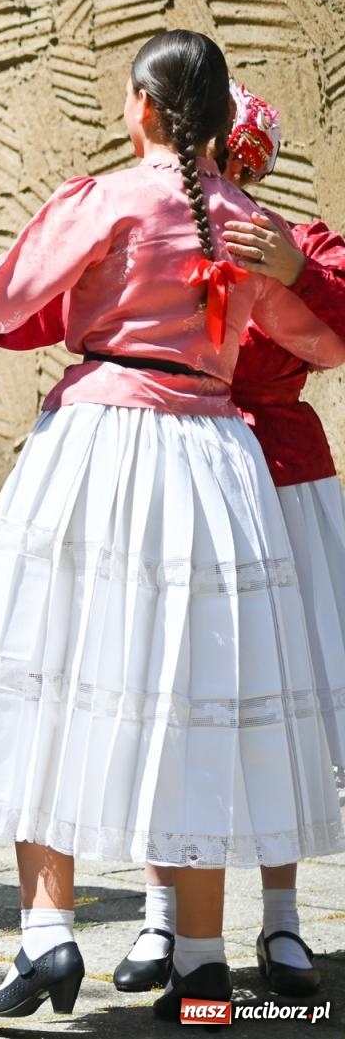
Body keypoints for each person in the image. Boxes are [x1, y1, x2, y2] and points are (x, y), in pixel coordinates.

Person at [0, 31, 345, 1019]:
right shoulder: (249, 225)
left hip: (96, 446)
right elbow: (320, 341)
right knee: (199, 694)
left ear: (142, 106)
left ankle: (48, 937)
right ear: (226, 125)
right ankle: (198, 970)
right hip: (214, 463)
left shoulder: (102, 200)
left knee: (48, 675)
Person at [114, 82, 345, 1001]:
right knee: (164, 693)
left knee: (276, 703)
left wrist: (297, 269)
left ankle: (282, 920)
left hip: (282, 482)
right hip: (179, 473)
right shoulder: (151, 223)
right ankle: (160, 913)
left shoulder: (304, 238)